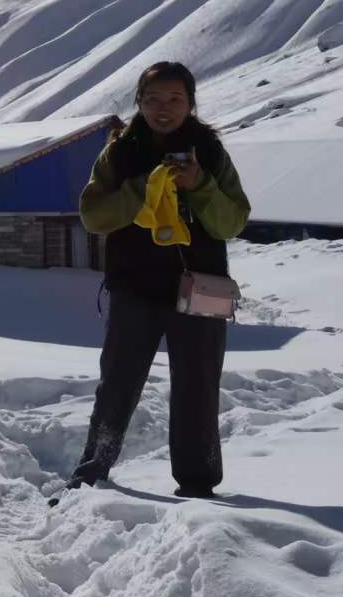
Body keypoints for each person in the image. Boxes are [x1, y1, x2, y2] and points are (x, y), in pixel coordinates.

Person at [65, 61, 251, 501]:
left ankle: (198, 484)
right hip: (135, 286)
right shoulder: (120, 152)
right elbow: (93, 217)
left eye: (174, 100)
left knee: (198, 385)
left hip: (200, 286)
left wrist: (199, 183)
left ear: (190, 103)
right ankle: (91, 474)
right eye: (152, 99)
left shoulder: (209, 152)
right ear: (139, 102)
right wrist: (142, 190)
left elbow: (232, 222)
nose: (163, 109)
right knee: (118, 383)